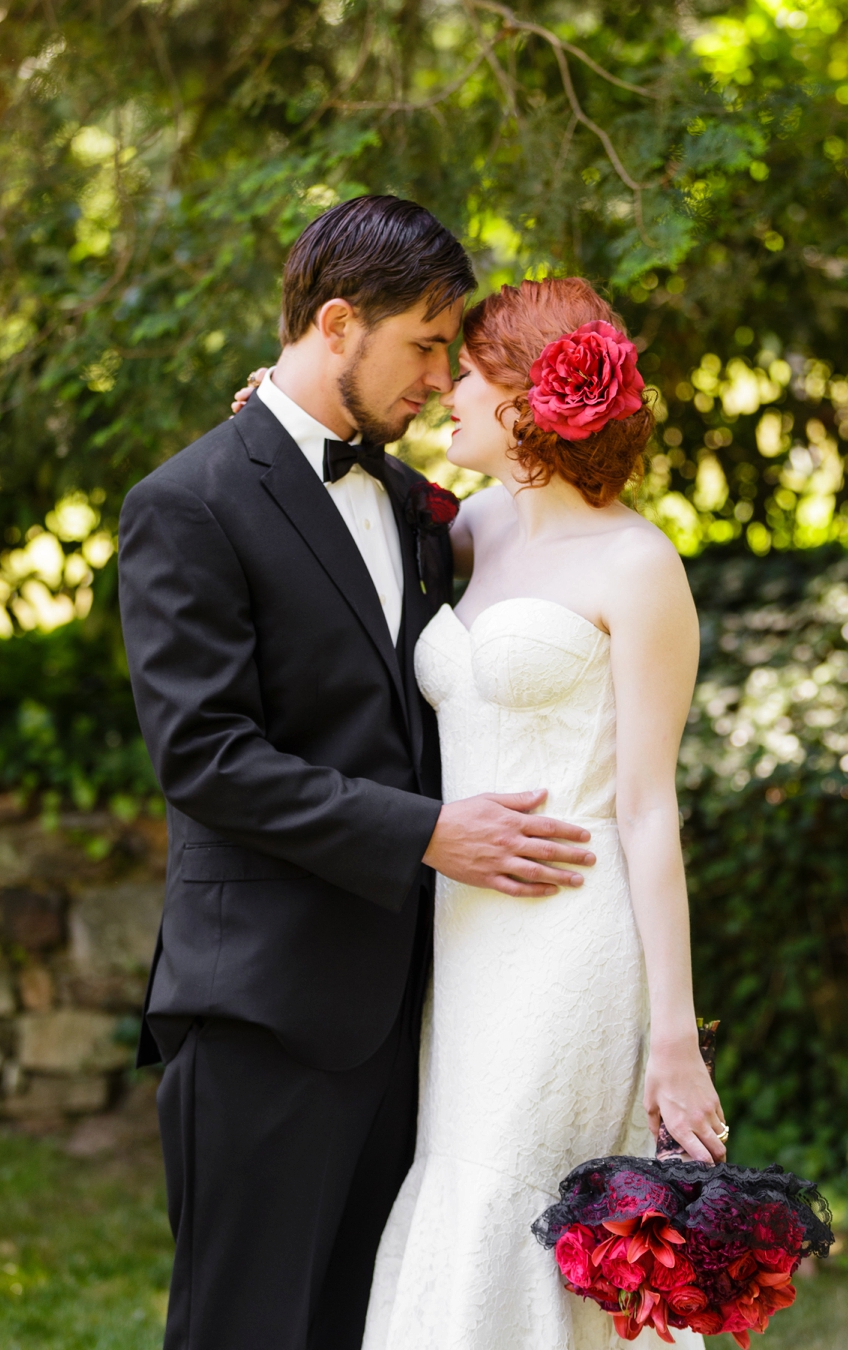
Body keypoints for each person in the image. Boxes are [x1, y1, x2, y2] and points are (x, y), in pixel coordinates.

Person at [118, 198, 594, 1350]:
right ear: (338, 322)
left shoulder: (414, 508)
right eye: (425, 345)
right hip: (262, 1010)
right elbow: (207, 756)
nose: (439, 379)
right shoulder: (187, 505)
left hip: (418, 1015)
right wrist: (427, 834)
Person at [358, 278, 727, 1350]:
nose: (443, 390)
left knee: (524, 1194)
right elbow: (348, 504)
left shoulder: (638, 564)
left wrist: (675, 1039)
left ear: (526, 400)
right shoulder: (472, 530)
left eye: (463, 369)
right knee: (463, 1177)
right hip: (469, 938)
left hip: (574, 937)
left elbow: (652, 811)